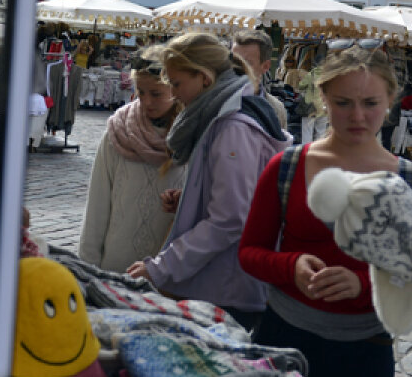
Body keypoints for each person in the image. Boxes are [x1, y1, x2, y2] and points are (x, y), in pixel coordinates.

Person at [239, 43, 412, 377]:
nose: (357, 116)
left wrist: (365, 285)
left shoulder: (410, 182)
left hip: (365, 351)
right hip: (284, 339)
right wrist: (290, 266)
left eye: (370, 103)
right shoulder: (287, 167)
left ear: (390, 101)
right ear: (323, 98)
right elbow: (249, 252)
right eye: (344, 102)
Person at [126, 32, 288, 330]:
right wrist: (189, 199)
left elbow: (230, 219)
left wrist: (162, 267)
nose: (173, 94)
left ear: (203, 78)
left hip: (226, 287)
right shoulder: (221, 116)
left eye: (176, 84)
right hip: (222, 282)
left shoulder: (231, 127)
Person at [78, 46, 184, 273]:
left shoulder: (192, 138)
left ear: (175, 89)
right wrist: (88, 269)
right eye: (141, 92)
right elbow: (97, 204)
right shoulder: (119, 133)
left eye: (156, 94)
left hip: (167, 276)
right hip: (114, 268)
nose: (146, 101)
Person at [231, 29, 288, 131]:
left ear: (265, 66)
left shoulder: (276, 109)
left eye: (246, 63)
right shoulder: (216, 101)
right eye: (233, 60)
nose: (236, 67)